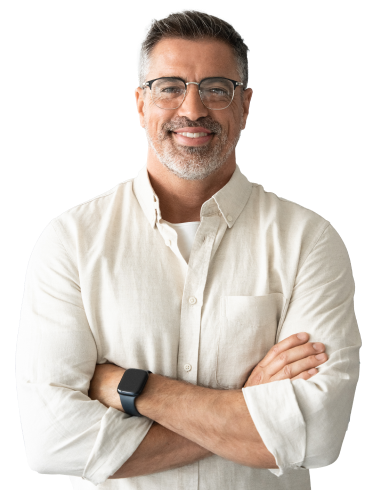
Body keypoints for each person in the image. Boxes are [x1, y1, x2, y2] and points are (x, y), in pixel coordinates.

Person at [16, 8, 361, 490]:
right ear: (140, 103)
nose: (193, 109)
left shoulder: (308, 241)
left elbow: (316, 434)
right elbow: (53, 439)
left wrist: (136, 389)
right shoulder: (70, 242)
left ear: (245, 106)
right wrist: (248, 404)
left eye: (217, 88)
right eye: (170, 87)